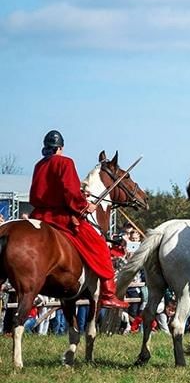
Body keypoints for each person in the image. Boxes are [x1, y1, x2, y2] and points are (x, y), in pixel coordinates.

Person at [29, 130, 127, 308]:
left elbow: (37, 194)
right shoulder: (66, 162)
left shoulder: (39, 165)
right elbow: (70, 192)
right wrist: (85, 206)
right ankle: (108, 294)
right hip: (60, 218)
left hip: (38, 215)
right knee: (100, 246)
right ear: (61, 147)